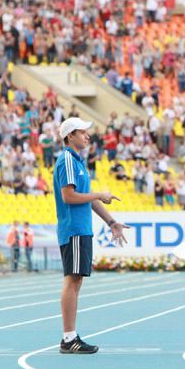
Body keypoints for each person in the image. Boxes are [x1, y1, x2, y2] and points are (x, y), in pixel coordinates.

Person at [54, 118, 130, 354]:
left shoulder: (77, 161)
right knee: (73, 280)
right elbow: (69, 196)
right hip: (74, 229)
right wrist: (98, 193)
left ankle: (70, 336)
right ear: (70, 136)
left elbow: (87, 197)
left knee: (76, 281)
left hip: (81, 229)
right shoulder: (67, 159)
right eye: (82, 132)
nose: (87, 136)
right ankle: (69, 338)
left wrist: (111, 221)